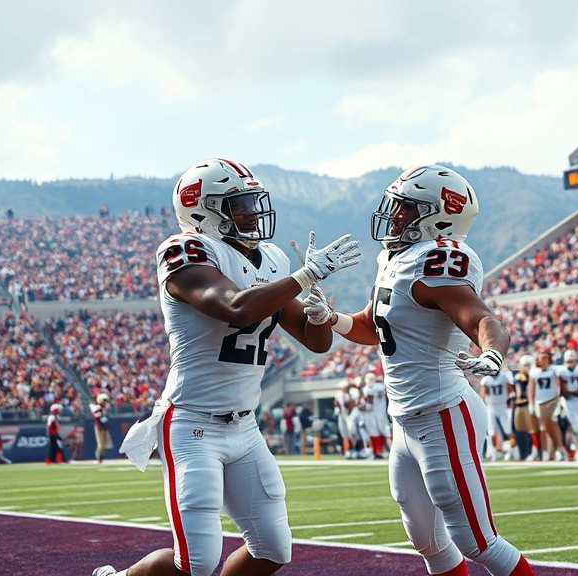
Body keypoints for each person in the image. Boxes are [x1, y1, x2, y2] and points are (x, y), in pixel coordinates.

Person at [95, 158, 357, 576]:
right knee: (195, 563)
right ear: (204, 213)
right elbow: (235, 309)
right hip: (192, 423)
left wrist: (319, 311)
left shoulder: (269, 259)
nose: (252, 213)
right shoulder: (184, 250)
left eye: (252, 202)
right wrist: (305, 276)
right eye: (239, 205)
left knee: (273, 549)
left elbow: (315, 342)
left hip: (244, 425)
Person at [307, 165, 534, 576]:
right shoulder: (396, 259)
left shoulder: (437, 261)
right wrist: (332, 318)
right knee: (427, 542)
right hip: (405, 421)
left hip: (443, 412)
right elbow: (374, 326)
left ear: (437, 216)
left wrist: (493, 353)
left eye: (406, 209)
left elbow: (483, 319)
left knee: (478, 543)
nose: (394, 215)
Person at [529, 351, 563, 462]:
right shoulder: (534, 372)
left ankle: (558, 449)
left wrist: (559, 399)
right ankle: (546, 451)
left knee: (554, 426)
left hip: (552, 401)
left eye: (545, 358)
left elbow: (559, 385)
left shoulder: (554, 370)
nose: (542, 360)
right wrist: (531, 403)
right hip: (540, 402)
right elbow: (531, 389)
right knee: (544, 429)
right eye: (540, 358)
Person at [481, 363, 515, 461]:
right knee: (492, 430)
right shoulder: (487, 379)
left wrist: (508, 399)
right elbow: (483, 393)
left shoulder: (503, 377)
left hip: (501, 405)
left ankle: (511, 452)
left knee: (507, 430)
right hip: (492, 406)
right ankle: (495, 452)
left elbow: (510, 389)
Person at [90, 393, 111, 464]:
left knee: (104, 444)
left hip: (104, 426)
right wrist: (100, 414)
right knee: (101, 444)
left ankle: (100, 457)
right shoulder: (98, 407)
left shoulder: (105, 408)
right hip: (99, 426)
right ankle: (99, 457)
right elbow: (94, 414)